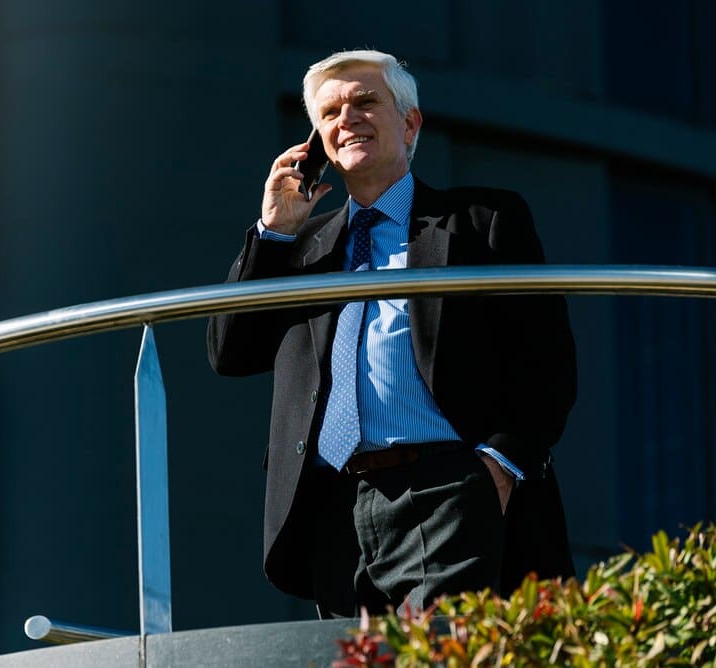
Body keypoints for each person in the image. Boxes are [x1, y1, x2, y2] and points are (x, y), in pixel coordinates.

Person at [207, 50, 577, 618]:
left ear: (409, 123)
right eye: (329, 113)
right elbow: (230, 351)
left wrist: (497, 469)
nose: (346, 120)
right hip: (333, 504)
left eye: (364, 102)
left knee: (443, 653)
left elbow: (546, 361)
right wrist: (274, 232)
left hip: (447, 487)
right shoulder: (302, 251)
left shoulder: (481, 221)